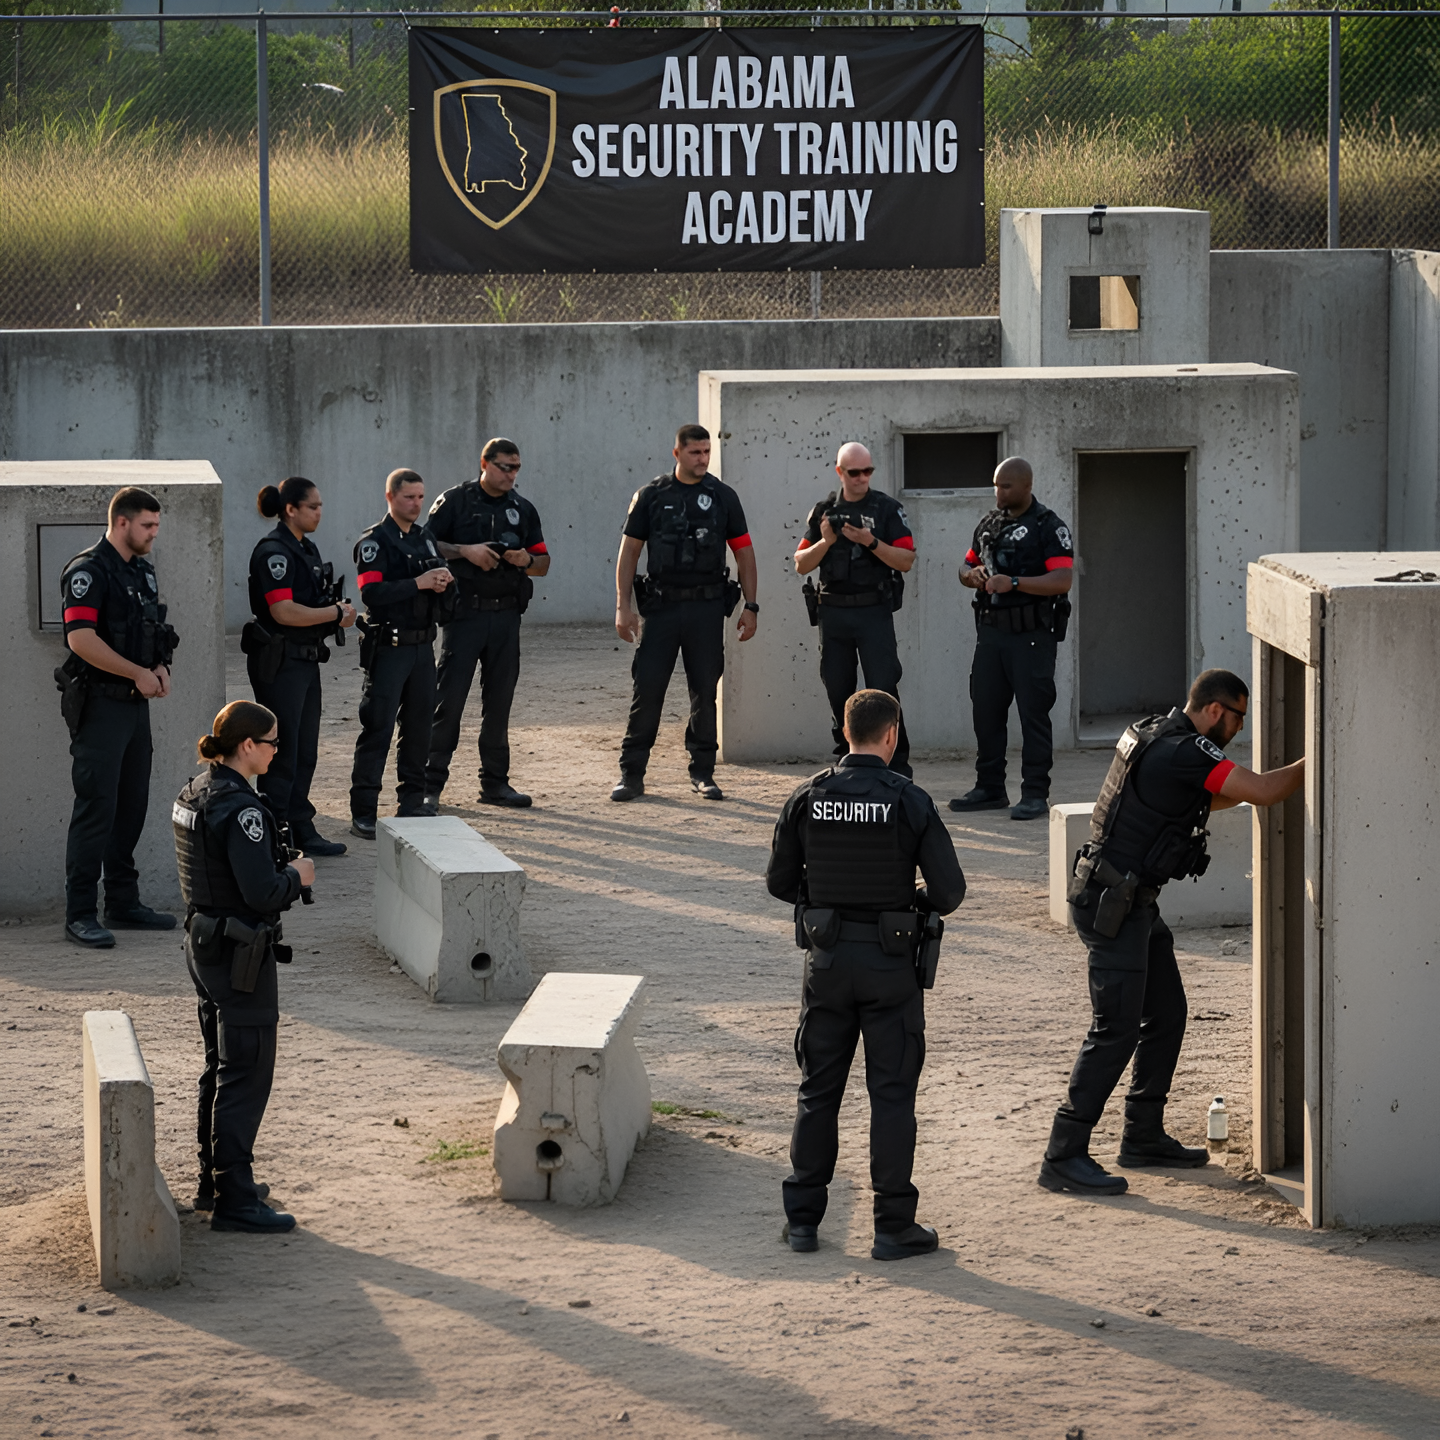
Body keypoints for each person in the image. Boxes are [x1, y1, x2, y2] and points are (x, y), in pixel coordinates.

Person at [1040, 669, 1305, 1195]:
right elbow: (1267, 792)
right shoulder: (1186, 750)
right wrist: (1320, 752)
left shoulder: (1160, 735)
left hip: (1127, 900)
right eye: (1237, 718)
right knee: (1114, 1029)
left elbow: (1209, 796)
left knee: (1166, 1012)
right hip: (1114, 903)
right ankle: (1062, 1154)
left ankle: (1141, 1133)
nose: (1238, 728)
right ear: (1213, 710)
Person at [766, 689, 967, 1260]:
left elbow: (780, 882)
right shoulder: (908, 800)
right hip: (889, 968)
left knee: (817, 1093)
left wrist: (827, 895)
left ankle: (803, 1221)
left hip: (826, 965)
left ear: (845, 731)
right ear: (892, 734)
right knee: (893, 1097)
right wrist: (909, 901)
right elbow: (950, 892)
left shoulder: (809, 797)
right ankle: (892, 1226)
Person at [174, 700, 315, 1233]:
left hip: (204, 941)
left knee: (221, 1064)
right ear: (247, 746)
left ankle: (217, 1182)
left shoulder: (196, 791)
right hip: (238, 953)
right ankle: (235, 1199)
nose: (278, 751)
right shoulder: (244, 811)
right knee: (247, 1070)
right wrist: (298, 876)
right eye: (272, 742)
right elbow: (261, 893)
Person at [58, 486, 180, 949]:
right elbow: (80, 638)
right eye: (147, 526)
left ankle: (123, 902)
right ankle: (80, 913)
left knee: (130, 806)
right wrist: (135, 673)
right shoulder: (88, 571)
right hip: (101, 706)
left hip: (135, 706)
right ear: (121, 523)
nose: (153, 534)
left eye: (156, 526)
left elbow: (154, 630)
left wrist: (160, 668)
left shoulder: (141, 573)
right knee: (97, 808)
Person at [612, 423, 758, 802]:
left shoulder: (723, 496)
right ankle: (632, 774)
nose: (703, 459)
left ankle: (703, 773)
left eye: (707, 452)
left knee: (704, 692)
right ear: (677, 453)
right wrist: (623, 607)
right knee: (648, 690)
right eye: (695, 452)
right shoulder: (652, 496)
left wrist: (751, 605)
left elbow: (744, 553)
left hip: (707, 610)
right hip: (661, 609)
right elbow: (629, 553)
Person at [422, 438, 550, 810]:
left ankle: (495, 784)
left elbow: (543, 564)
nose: (511, 474)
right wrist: (466, 552)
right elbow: (425, 545)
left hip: (507, 617)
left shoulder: (522, 509)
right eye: (504, 467)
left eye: (516, 468)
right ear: (485, 463)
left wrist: (525, 559)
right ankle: (430, 785)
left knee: (499, 703)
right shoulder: (456, 501)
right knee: (449, 702)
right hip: (465, 616)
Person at [950, 456, 1074, 822]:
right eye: (995, 485)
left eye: (1005, 486)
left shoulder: (1047, 527)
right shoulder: (990, 524)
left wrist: (1015, 583)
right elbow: (965, 565)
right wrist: (971, 575)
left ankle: (1035, 793)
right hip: (991, 633)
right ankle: (990, 788)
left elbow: (1062, 579)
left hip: (1031, 636)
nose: (998, 491)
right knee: (985, 711)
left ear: (1026, 486)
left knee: (1033, 714)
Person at [244, 477, 356, 856]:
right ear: (290, 509)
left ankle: (300, 828)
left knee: (304, 750)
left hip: (305, 661)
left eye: (320, 505)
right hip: (280, 662)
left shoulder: (304, 548)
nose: (319, 512)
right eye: (313, 506)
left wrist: (333, 611)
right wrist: (335, 612)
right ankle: (276, 835)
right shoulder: (275, 552)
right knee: (281, 751)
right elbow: (283, 610)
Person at [794, 441, 916, 777]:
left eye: (867, 471)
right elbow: (801, 564)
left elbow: (906, 559)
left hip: (873, 611)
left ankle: (897, 766)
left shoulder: (886, 509)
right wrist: (827, 542)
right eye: (854, 472)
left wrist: (870, 541)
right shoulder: (825, 511)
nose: (862, 478)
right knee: (838, 690)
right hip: (833, 613)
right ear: (840, 473)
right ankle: (848, 761)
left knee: (883, 688)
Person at [348, 469, 454, 839]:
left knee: (419, 728)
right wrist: (418, 583)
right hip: (389, 647)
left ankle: (411, 802)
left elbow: (434, 581)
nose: (417, 504)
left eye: (421, 497)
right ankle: (363, 810)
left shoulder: (425, 538)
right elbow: (371, 593)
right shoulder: (374, 542)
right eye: (409, 497)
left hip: (423, 646)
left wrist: (442, 582)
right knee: (377, 727)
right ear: (390, 497)